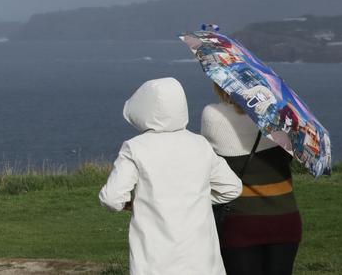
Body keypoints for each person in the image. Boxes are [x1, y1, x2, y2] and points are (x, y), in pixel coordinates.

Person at [98, 77, 243, 275]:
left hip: (154, 263)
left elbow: (111, 198)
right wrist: (195, 198)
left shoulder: (135, 148)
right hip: (202, 262)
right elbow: (232, 187)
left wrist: (131, 203)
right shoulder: (200, 145)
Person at [200, 84, 302, 275]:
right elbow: (288, 158)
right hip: (285, 219)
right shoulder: (281, 118)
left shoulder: (212, 115)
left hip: (240, 221)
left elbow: (207, 161)